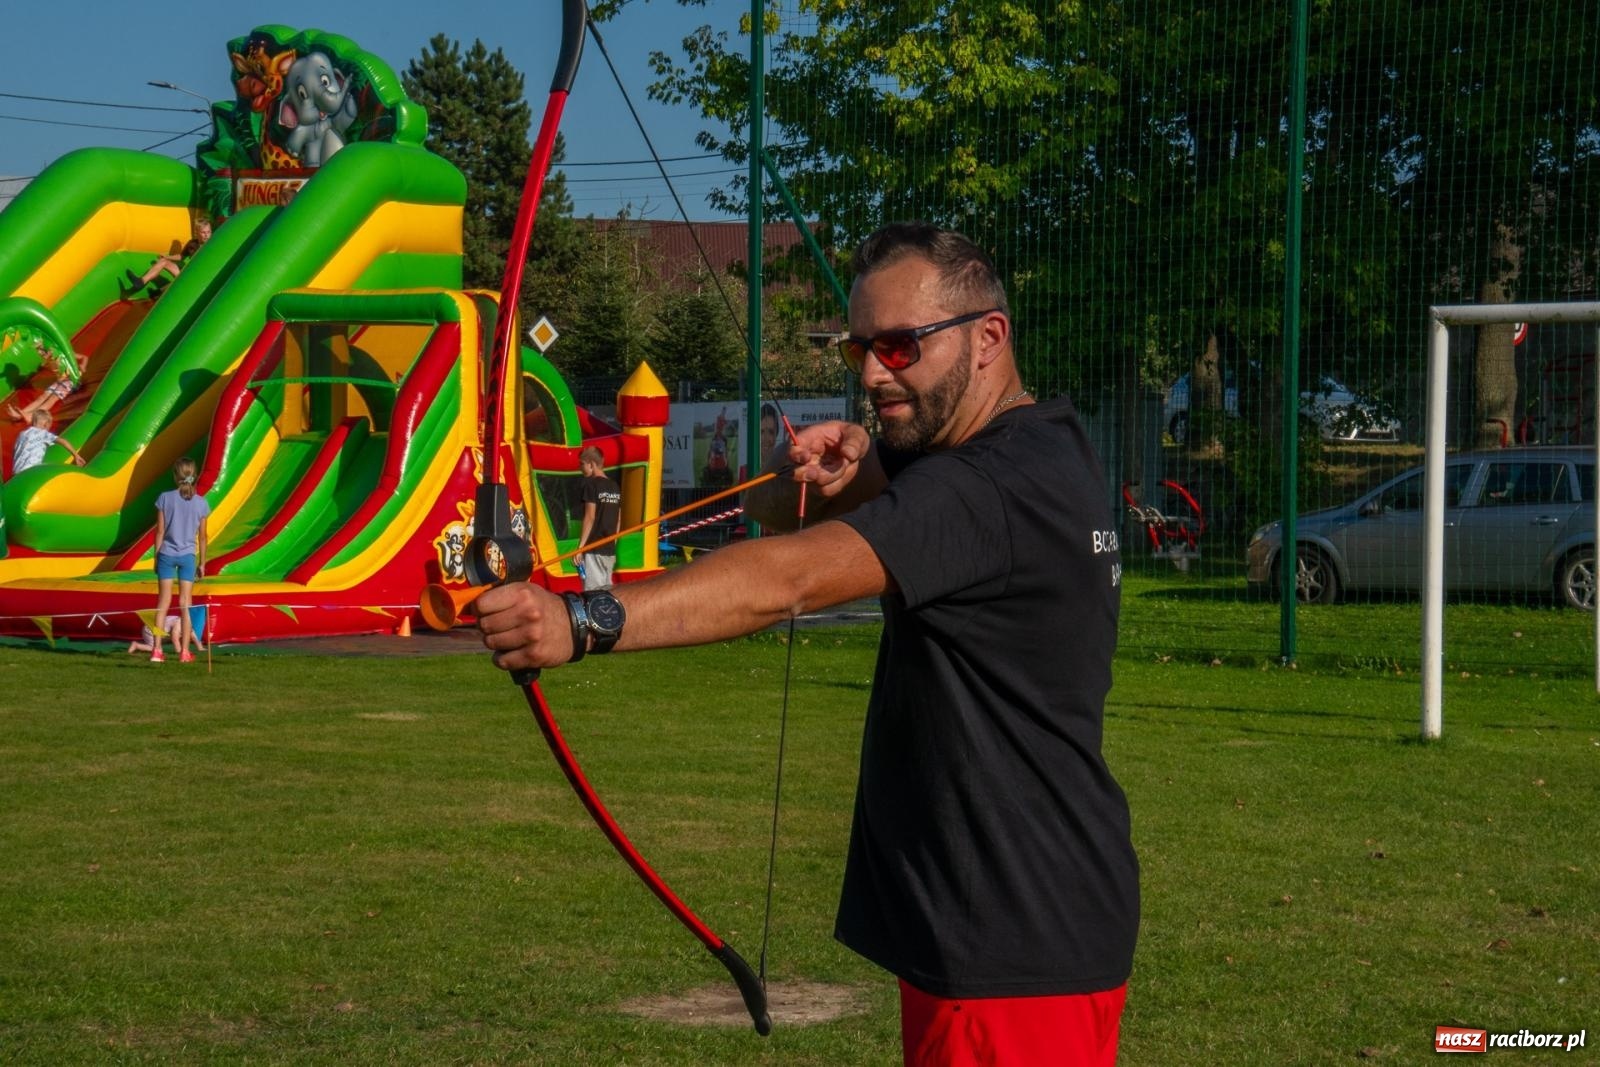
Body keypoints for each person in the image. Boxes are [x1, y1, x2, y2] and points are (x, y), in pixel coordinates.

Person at [473, 222, 1138, 1066]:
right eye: (859, 348)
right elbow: (774, 508)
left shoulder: (982, 489)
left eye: (900, 346)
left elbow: (788, 576)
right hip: (1026, 919)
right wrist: (850, 472)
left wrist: (580, 621)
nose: (871, 373)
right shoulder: (1043, 447)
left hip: (1012, 943)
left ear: (988, 336)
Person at [149, 457, 210, 664]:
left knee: (162, 604)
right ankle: (184, 651)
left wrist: (156, 557)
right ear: (194, 475)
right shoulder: (201, 503)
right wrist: (202, 562)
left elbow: (159, 531)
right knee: (186, 605)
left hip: (167, 553)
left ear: (176, 476)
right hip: (187, 556)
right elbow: (202, 536)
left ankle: (157, 650)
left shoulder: (164, 498)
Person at [128, 214, 213, 293]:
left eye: (208, 232)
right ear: (197, 232)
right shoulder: (192, 243)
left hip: (197, 278)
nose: (206, 235)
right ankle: (141, 282)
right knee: (163, 261)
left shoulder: (212, 244)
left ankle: (158, 292)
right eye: (203, 232)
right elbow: (181, 256)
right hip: (187, 275)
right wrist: (167, 257)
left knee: (178, 281)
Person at [576, 445, 622, 591]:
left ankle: (594, 614)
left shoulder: (591, 485)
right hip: (609, 548)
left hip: (593, 547)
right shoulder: (614, 486)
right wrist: (613, 541)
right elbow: (618, 519)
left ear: (591, 464)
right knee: (607, 590)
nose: (580, 468)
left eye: (582, 464)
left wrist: (580, 548)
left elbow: (590, 517)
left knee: (593, 592)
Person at [5, 345, 89, 423]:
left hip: (72, 382)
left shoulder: (65, 354)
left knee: (52, 399)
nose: (44, 356)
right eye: (43, 354)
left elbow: (84, 357)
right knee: (42, 397)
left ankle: (31, 417)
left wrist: (83, 366)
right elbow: (57, 372)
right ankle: (20, 414)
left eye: (45, 353)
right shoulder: (50, 359)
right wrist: (48, 360)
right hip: (61, 381)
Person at [10, 409, 84, 474]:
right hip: (30, 471)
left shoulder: (22, 434)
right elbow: (63, 441)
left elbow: (14, 451)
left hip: (16, 471)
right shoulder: (43, 433)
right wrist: (76, 455)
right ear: (46, 424)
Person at [128, 609, 205, 657]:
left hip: (155, 629)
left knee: (163, 642)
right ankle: (136, 645)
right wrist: (179, 651)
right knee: (156, 649)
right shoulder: (179, 623)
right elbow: (174, 639)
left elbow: (194, 636)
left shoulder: (187, 624)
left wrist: (200, 648)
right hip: (150, 630)